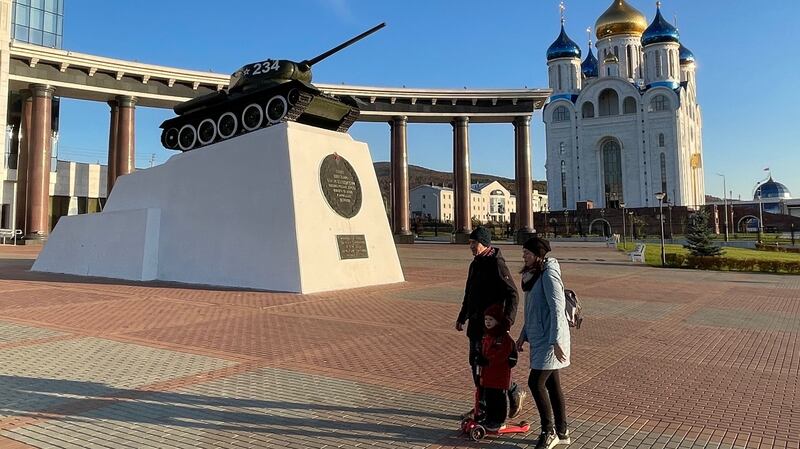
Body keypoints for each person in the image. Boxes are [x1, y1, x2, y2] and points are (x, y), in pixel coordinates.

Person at [455, 226, 523, 419]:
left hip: (492, 327)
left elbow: (513, 294)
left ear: (484, 243)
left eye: (474, 243)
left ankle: (512, 391)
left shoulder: (496, 264)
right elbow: (469, 294)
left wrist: (507, 321)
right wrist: (462, 317)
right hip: (476, 325)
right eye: (470, 243)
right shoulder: (475, 263)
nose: (471, 246)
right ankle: (481, 405)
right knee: (475, 364)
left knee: (491, 367)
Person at [516, 236, 571, 449]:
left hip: (550, 340)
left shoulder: (549, 276)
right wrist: (523, 334)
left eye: (527, 253)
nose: (524, 256)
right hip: (540, 337)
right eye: (524, 253)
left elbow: (557, 309)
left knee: (535, 382)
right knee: (552, 383)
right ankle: (563, 431)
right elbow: (533, 311)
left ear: (538, 255)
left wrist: (557, 341)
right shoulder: (535, 275)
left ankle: (549, 431)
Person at [474, 303, 518, 432]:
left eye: (491, 320)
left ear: (498, 321)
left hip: (499, 376)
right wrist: (478, 355)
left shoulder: (503, 337)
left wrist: (487, 360)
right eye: (486, 319)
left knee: (498, 399)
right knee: (489, 398)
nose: (487, 322)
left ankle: (499, 420)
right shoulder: (487, 335)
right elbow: (483, 350)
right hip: (487, 376)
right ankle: (490, 417)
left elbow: (502, 355)